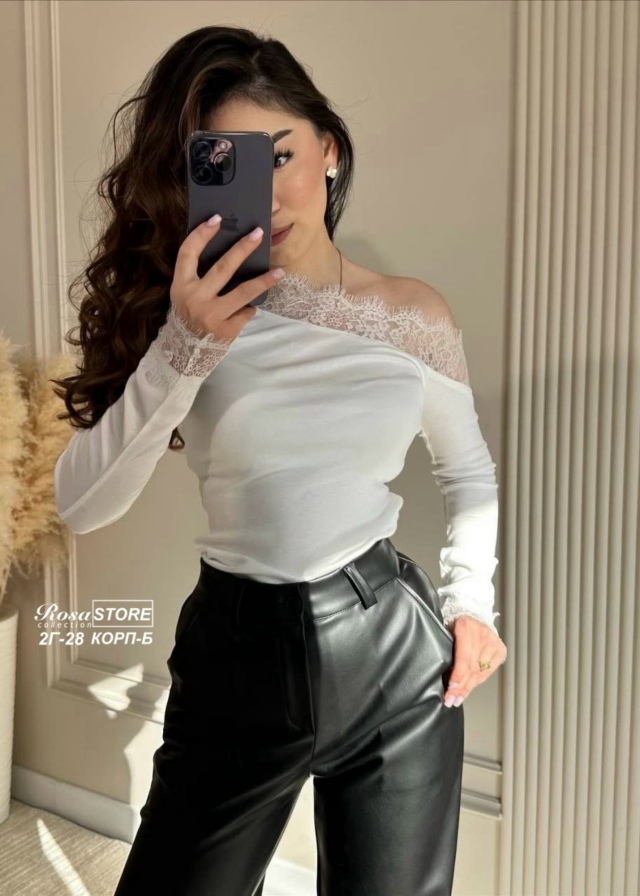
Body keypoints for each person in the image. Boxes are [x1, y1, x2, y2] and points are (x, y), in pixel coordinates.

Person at [52, 24, 507, 896]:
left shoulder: (412, 315)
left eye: (283, 153)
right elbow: (81, 505)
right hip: (235, 656)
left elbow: (468, 474)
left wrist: (472, 606)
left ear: (329, 150)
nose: (268, 191)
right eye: (234, 164)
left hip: (390, 655)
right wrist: (185, 345)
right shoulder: (189, 318)